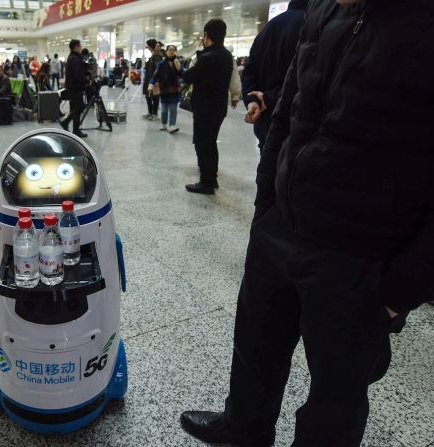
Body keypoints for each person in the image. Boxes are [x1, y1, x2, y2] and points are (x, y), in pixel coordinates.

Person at [181, 1, 434, 446]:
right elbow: (294, 104)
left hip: (359, 251)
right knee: (256, 348)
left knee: (337, 394)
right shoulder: (325, 11)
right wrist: (266, 200)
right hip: (282, 224)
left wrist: (404, 288)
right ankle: (243, 429)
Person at [242, 0, 307, 149]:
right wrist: (269, 98)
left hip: (265, 122)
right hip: (293, 123)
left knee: (267, 164)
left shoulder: (268, 28)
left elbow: (249, 72)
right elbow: (306, 82)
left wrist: (253, 101)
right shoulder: (310, 26)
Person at [181, 20, 233, 195]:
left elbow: (188, 76)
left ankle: (206, 182)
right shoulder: (227, 55)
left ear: (206, 35)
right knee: (211, 143)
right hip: (219, 108)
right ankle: (212, 178)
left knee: (202, 145)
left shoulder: (206, 57)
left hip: (204, 109)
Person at [148, 45, 182, 134]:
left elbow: (182, 75)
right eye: (170, 50)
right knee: (164, 110)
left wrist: (180, 68)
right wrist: (151, 84)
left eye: (173, 50)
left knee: (173, 109)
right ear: (166, 51)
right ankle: (164, 124)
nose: (172, 51)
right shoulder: (161, 64)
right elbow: (155, 75)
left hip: (174, 89)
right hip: (164, 90)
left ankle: (172, 125)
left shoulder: (177, 62)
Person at [59, 39, 88, 139]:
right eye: (80, 46)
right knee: (79, 107)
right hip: (75, 87)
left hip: (73, 86)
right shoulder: (75, 59)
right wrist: (86, 80)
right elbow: (77, 74)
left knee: (79, 107)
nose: (81, 48)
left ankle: (69, 124)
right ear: (76, 47)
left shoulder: (72, 57)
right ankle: (73, 128)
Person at [142, 39, 163, 120]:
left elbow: (158, 69)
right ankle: (150, 112)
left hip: (154, 80)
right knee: (148, 96)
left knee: (155, 97)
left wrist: (157, 80)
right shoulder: (152, 56)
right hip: (149, 79)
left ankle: (154, 114)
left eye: (148, 46)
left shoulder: (157, 56)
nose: (148, 48)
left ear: (151, 46)